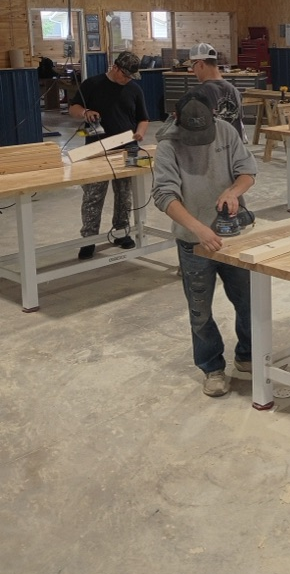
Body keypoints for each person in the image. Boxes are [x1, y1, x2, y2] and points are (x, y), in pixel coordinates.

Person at [153, 90, 258, 397]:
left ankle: (248, 355)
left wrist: (234, 192)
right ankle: (212, 367)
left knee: (249, 301)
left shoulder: (225, 131)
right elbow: (164, 195)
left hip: (232, 238)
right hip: (193, 242)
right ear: (176, 119)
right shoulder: (167, 145)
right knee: (200, 310)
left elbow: (248, 171)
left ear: (213, 117)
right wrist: (198, 229)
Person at [69, 51, 149, 260]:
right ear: (115, 68)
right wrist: (85, 113)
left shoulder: (134, 89)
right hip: (96, 149)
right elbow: (73, 108)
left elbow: (143, 118)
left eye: (131, 77)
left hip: (128, 148)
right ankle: (88, 239)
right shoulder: (91, 84)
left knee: (125, 194)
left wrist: (140, 132)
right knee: (93, 195)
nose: (128, 80)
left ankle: (121, 233)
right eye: (125, 75)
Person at [188, 41, 245, 141]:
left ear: (200, 64)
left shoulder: (196, 94)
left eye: (193, 66)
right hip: (233, 151)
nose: (193, 72)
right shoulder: (235, 91)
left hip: (209, 153)